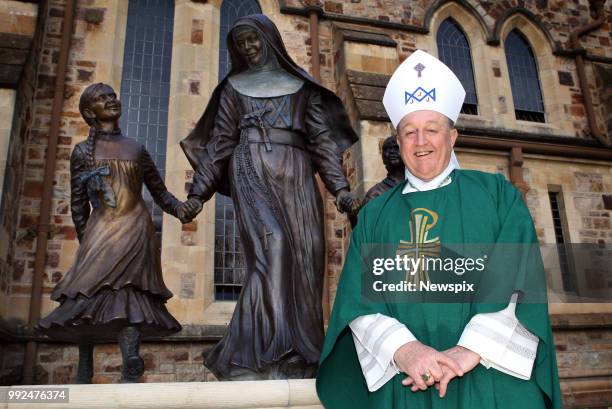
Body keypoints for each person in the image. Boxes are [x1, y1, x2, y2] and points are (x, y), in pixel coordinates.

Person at [316, 50, 562, 408]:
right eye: (409, 133)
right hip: (406, 381)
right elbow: (358, 301)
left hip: (488, 376)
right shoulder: (374, 214)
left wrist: (467, 351)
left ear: (453, 136)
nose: (420, 143)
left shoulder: (497, 196)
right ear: (397, 143)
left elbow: (519, 279)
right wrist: (407, 351)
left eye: (431, 130)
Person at [178, 14, 360, 380]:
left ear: (270, 39)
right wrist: (199, 193)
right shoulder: (233, 89)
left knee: (308, 254)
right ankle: (271, 352)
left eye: (253, 40)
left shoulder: (301, 88)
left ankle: (304, 352)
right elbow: (220, 144)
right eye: (241, 43)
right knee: (272, 246)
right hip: (250, 168)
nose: (248, 48)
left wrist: (340, 190)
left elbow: (322, 143)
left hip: (296, 173)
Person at [36, 83, 183, 383]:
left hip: (136, 229)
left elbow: (160, 193)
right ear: (90, 112)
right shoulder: (81, 152)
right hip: (101, 231)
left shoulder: (136, 149)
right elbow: (78, 203)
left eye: (113, 96)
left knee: (129, 294)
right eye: (103, 99)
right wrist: (85, 238)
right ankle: (84, 365)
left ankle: (130, 359)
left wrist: (184, 208)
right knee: (88, 292)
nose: (111, 101)